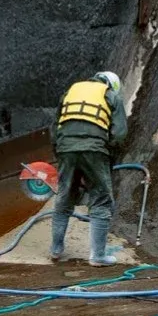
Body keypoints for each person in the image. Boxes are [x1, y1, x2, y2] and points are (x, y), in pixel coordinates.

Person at [49, 70, 128, 266]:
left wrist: (60, 152)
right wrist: (108, 153)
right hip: (94, 150)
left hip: (65, 148)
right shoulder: (110, 96)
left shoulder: (70, 92)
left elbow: (54, 129)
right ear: (111, 85)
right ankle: (98, 256)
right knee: (101, 199)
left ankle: (56, 250)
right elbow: (119, 134)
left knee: (64, 196)